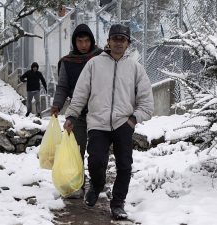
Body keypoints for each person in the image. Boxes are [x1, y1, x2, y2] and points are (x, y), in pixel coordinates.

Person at [63, 24, 154, 220]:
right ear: (108, 42)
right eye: (115, 39)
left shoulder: (136, 68)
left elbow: (147, 102)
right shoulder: (94, 64)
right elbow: (80, 93)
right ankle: (96, 186)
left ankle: (118, 204)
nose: (119, 42)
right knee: (96, 161)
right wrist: (71, 115)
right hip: (97, 123)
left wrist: (133, 119)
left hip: (123, 124)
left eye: (123, 39)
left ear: (128, 43)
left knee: (124, 165)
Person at [51, 24, 103, 198]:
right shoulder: (67, 62)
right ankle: (78, 183)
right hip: (78, 113)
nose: (83, 45)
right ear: (74, 42)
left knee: (97, 152)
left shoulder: (101, 58)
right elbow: (62, 86)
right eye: (80, 41)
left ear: (92, 41)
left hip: (99, 112)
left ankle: (97, 183)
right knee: (77, 148)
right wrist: (57, 105)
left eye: (87, 41)